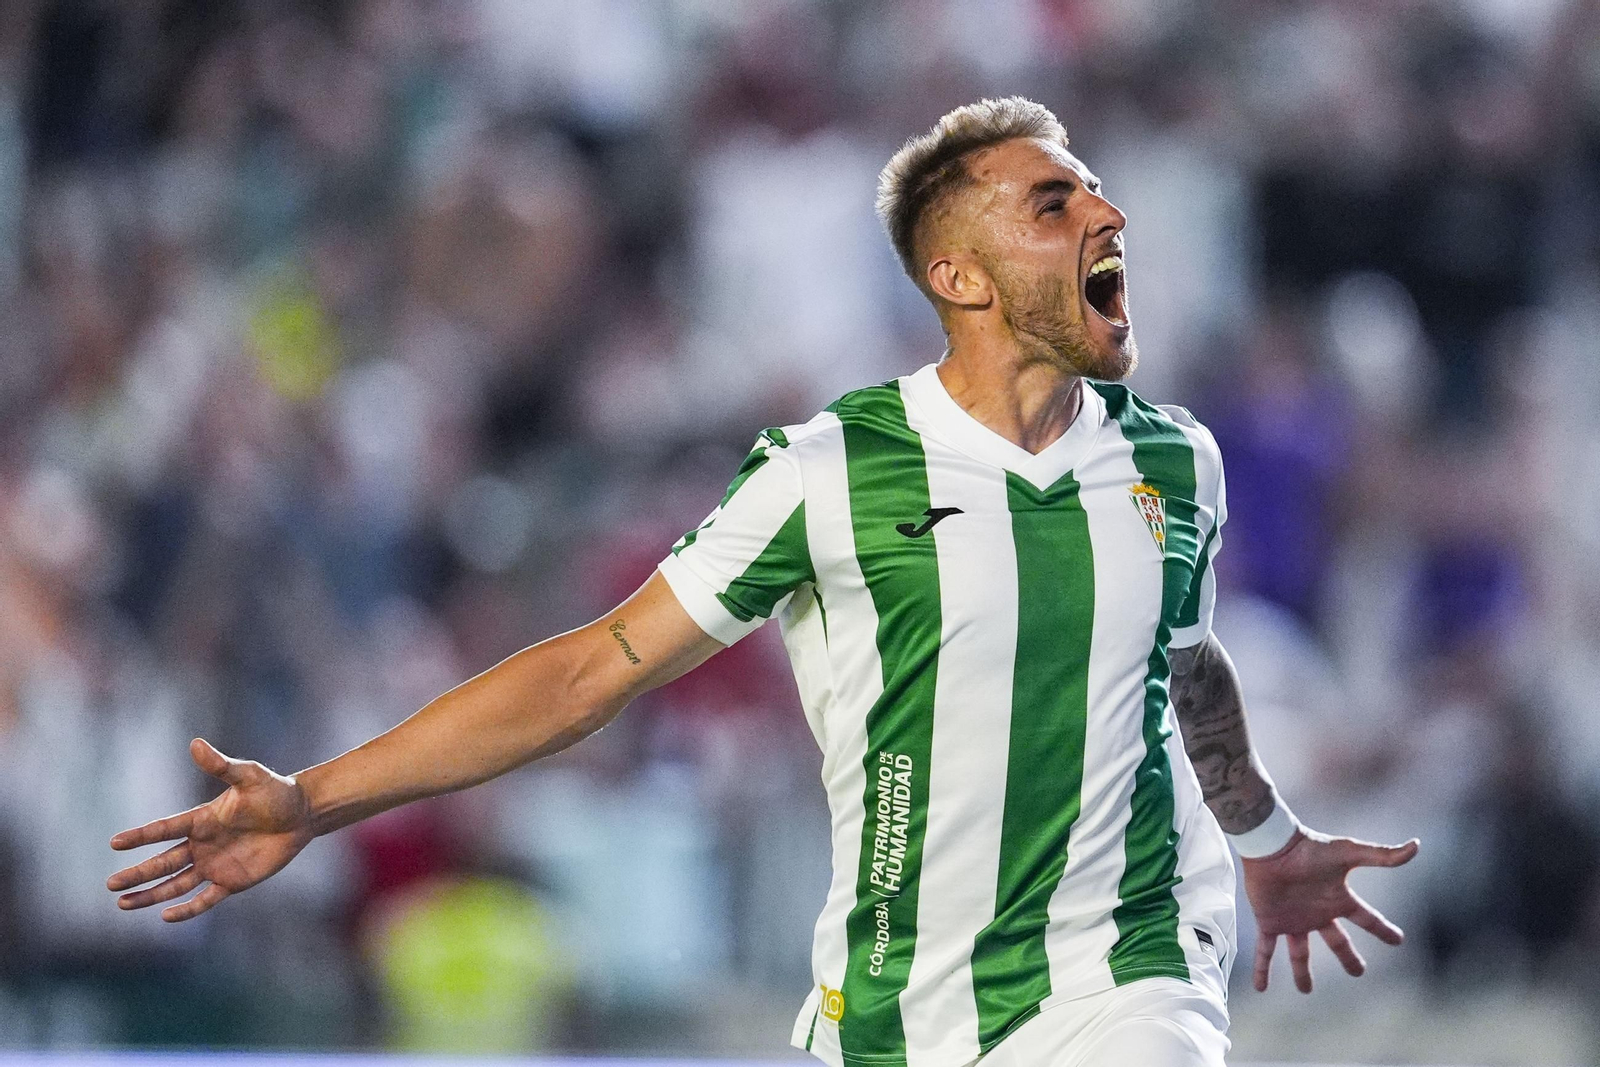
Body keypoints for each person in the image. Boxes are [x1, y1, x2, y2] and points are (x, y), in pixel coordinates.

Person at [107, 97, 1418, 1067]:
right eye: (1052, 206)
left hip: (1135, 978)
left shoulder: (1175, 460)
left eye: (1094, 197)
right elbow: (586, 674)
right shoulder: (830, 471)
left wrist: (1259, 836)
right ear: (956, 276)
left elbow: (1184, 666)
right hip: (906, 1007)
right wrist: (315, 799)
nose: (1104, 221)